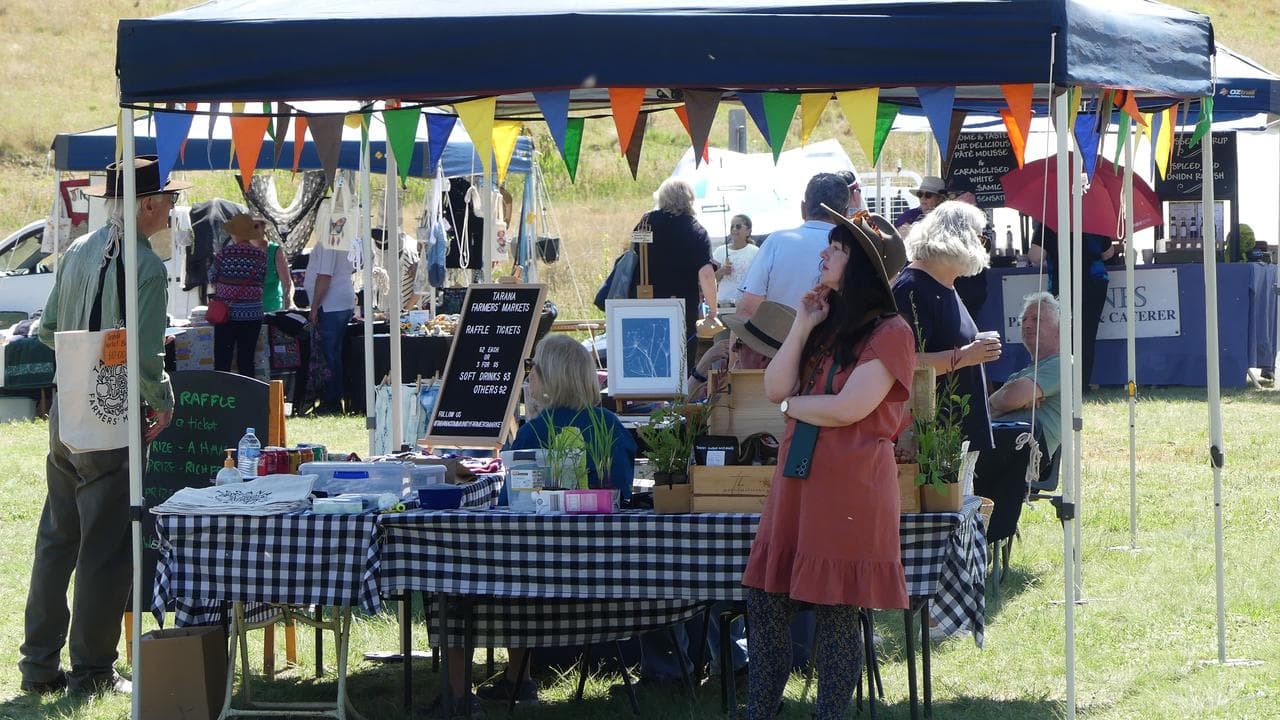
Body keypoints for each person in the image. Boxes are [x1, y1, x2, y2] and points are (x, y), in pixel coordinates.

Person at [741, 208, 914, 720]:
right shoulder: (824, 322)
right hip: (799, 480)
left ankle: (830, 716)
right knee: (765, 599)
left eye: (837, 248)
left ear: (860, 263)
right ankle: (760, 712)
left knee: (837, 611)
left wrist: (793, 408)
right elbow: (775, 385)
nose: (824, 253)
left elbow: (847, 408)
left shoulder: (891, 331)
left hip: (850, 486)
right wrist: (801, 323)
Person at [20, 156, 183, 696]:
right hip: (111, 408)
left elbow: (45, 330)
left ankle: (39, 667)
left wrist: (84, 360)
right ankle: (91, 671)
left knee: (57, 539)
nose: (174, 210)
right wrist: (161, 399)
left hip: (68, 406)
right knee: (105, 547)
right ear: (148, 206)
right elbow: (144, 358)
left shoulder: (76, 252)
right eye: (170, 201)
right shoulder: (147, 268)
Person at [472, 334, 637, 705]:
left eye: (533, 371)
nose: (529, 378)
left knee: (510, 561)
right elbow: (623, 493)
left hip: (539, 579)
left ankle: (519, 677)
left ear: (549, 379)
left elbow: (508, 508)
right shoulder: (612, 427)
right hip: (611, 571)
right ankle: (518, 678)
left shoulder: (534, 431)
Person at [893, 201, 999, 457]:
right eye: (979, 237)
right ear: (959, 238)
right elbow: (903, 363)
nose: (982, 245)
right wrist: (966, 356)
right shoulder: (912, 288)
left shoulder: (944, 284)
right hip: (933, 435)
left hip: (954, 431)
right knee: (946, 499)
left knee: (963, 497)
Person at [974, 292, 1062, 548]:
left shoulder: (1061, 364)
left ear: (1059, 330)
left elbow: (1009, 397)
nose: (1027, 324)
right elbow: (1006, 400)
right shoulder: (1025, 371)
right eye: (1024, 319)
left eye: (1038, 319)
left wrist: (1004, 400)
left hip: (1026, 454)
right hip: (1004, 447)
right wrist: (1006, 401)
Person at [737, 173, 848, 318]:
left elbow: (747, 308)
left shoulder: (776, 241)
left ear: (803, 208)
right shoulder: (851, 250)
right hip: (835, 339)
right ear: (845, 213)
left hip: (775, 338)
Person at [634, 178, 718, 359]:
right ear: (690, 200)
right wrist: (712, 309)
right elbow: (706, 274)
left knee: (649, 358)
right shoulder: (696, 231)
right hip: (681, 306)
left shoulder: (646, 223)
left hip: (646, 302)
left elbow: (633, 254)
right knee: (681, 360)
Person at [1028, 224, 1113, 390]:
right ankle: (1082, 384)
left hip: (1062, 284)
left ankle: (1062, 383)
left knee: (1060, 335)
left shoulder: (1049, 221)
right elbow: (1108, 253)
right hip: (1094, 283)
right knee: (1086, 335)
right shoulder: (1092, 218)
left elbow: (1036, 256)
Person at [304, 233, 357, 414]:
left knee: (329, 355)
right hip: (340, 301)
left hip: (331, 304)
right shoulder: (346, 239)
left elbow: (325, 276)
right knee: (333, 353)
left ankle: (331, 401)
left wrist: (314, 306)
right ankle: (333, 398)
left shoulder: (330, 241)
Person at [210, 213, 268, 376]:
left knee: (223, 360)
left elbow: (212, 277)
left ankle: (224, 395)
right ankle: (246, 397)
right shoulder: (261, 256)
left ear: (234, 233)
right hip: (253, 314)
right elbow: (261, 281)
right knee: (246, 359)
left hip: (227, 315)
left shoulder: (224, 254)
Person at [946, 176, 992, 318]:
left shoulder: (979, 217)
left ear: (968, 195)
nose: (950, 200)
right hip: (958, 284)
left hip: (970, 285)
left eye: (953, 195)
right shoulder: (954, 217)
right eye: (947, 196)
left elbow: (983, 247)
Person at [712, 214, 759, 308]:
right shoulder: (719, 251)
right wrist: (721, 272)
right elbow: (710, 279)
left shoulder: (756, 252)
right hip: (724, 304)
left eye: (738, 226)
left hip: (747, 306)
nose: (734, 229)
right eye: (732, 226)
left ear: (748, 231)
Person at [253, 221, 294, 313]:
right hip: (249, 310)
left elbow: (286, 284)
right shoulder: (243, 251)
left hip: (272, 310)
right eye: (248, 226)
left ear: (264, 227)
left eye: (256, 226)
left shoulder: (275, 251)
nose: (252, 229)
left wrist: (286, 307)